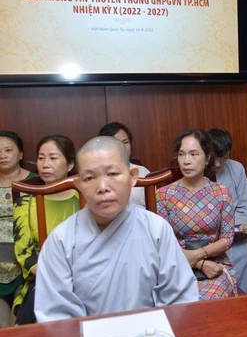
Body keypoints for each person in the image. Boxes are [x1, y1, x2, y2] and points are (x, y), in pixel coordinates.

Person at [34, 137, 198, 322]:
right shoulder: (61, 240)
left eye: (112, 174)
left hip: (151, 335)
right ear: (79, 185)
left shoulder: (157, 230)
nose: (102, 187)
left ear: (133, 176)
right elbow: (56, 316)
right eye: (89, 178)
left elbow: (180, 301)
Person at [157, 129, 237, 299]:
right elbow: (163, 243)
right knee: (179, 301)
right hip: (176, 266)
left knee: (210, 299)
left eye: (193, 154)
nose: (186, 161)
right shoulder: (164, 195)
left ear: (207, 158)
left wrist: (198, 255)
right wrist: (200, 263)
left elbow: (227, 239)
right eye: (181, 154)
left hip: (216, 266)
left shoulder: (222, 193)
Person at [13, 135, 80, 324]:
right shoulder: (25, 204)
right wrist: (57, 278)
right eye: (41, 158)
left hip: (86, 278)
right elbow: (25, 254)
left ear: (69, 164)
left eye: (53, 158)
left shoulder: (85, 199)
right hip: (43, 281)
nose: (45, 164)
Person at [208, 127, 247, 294]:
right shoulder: (197, 170)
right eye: (214, 158)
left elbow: (245, 204)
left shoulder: (236, 169)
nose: (218, 164)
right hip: (207, 236)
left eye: (223, 158)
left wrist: (242, 226)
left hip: (234, 233)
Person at [0, 131, 35, 325]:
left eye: (8, 150)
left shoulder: (37, 182)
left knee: (21, 322)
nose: (2, 155)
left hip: (27, 258)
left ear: (20, 154)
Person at [98, 122, 150, 208]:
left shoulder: (143, 172)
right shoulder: (97, 174)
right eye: (116, 143)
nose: (122, 147)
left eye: (125, 142)